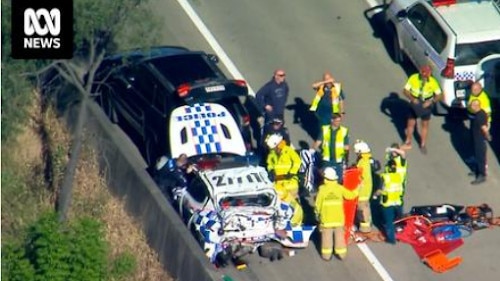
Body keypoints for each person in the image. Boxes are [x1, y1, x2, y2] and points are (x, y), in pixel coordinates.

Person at [315, 167, 358, 260]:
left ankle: (326, 256)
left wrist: (317, 214)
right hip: (339, 219)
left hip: (326, 220)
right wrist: (358, 188)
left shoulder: (322, 189)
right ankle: (341, 255)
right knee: (340, 238)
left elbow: (317, 205)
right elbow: (350, 196)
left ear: (325, 178)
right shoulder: (340, 188)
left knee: (327, 239)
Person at [401, 65, 442, 154]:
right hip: (414, 103)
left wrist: (431, 102)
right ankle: (408, 142)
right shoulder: (413, 78)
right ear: (420, 72)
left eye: (426, 76)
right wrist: (412, 99)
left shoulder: (433, 82)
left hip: (426, 104)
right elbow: (405, 91)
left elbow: (439, 95)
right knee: (410, 122)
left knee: (425, 124)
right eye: (423, 75)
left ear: (429, 74)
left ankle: (422, 144)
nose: (424, 77)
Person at [312, 113, 350, 183]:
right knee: (325, 178)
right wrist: (311, 151)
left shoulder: (344, 131)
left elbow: (346, 147)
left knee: (337, 179)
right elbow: (318, 142)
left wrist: (346, 159)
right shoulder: (325, 129)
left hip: (338, 160)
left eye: (339, 121)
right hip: (326, 159)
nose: (338, 123)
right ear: (332, 120)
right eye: (337, 121)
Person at [374, 160, 405, 244]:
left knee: (389, 222)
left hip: (387, 202)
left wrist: (375, 195)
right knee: (399, 219)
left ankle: (391, 239)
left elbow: (380, 190)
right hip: (397, 201)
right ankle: (402, 234)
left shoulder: (385, 177)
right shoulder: (399, 176)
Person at [353, 140, 380, 233]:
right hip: (366, 188)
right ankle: (367, 224)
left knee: (362, 208)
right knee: (365, 207)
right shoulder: (366, 159)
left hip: (363, 189)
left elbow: (360, 175)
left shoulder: (362, 162)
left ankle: (364, 228)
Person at [309, 72, 345, 138]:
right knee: (323, 127)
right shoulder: (321, 86)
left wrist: (342, 112)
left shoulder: (337, 87)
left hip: (332, 111)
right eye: (325, 79)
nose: (328, 81)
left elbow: (341, 100)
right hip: (322, 111)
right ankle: (323, 140)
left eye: (329, 78)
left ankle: (329, 139)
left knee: (332, 126)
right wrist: (325, 81)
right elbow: (314, 86)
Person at [266, 134, 302, 200]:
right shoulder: (272, 154)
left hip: (290, 183)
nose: (273, 150)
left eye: (274, 148)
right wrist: (271, 170)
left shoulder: (288, 150)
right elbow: (269, 163)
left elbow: (297, 161)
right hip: (278, 183)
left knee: (293, 203)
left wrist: (292, 172)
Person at [468, 99, 492, 185]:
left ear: (477, 106)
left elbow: (484, 128)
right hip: (476, 139)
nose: (471, 106)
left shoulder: (480, 116)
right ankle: (477, 171)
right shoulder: (479, 113)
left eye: (472, 105)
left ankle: (482, 175)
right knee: (477, 157)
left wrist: (488, 136)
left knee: (480, 157)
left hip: (479, 140)